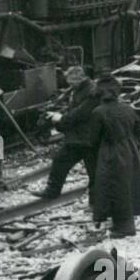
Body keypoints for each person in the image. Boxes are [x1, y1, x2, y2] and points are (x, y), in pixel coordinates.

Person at [88, 75, 140, 239]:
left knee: (114, 186)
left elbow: (93, 139)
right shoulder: (128, 109)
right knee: (127, 184)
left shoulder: (98, 112)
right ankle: (123, 222)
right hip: (129, 149)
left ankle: (124, 227)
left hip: (110, 151)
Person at [33, 66, 99, 200]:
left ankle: (95, 202)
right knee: (88, 170)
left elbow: (80, 113)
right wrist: (59, 115)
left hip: (87, 138)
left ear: (79, 78)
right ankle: (53, 191)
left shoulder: (92, 91)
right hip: (81, 137)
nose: (69, 85)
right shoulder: (79, 89)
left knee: (91, 170)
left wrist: (61, 119)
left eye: (71, 82)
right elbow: (73, 110)